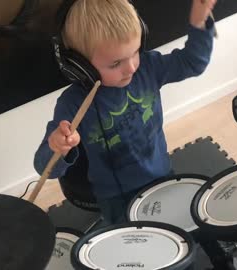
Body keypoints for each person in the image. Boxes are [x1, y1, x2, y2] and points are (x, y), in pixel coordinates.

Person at [34, 0, 216, 227]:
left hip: (163, 174)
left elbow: (193, 63)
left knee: (177, 233)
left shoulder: (148, 67)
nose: (131, 67)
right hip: (117, 199)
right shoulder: (72, 103)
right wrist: (57, 147)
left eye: (135, 52)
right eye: (116, 63)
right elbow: (45, 169)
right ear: (81, 67)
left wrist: (200, 24)